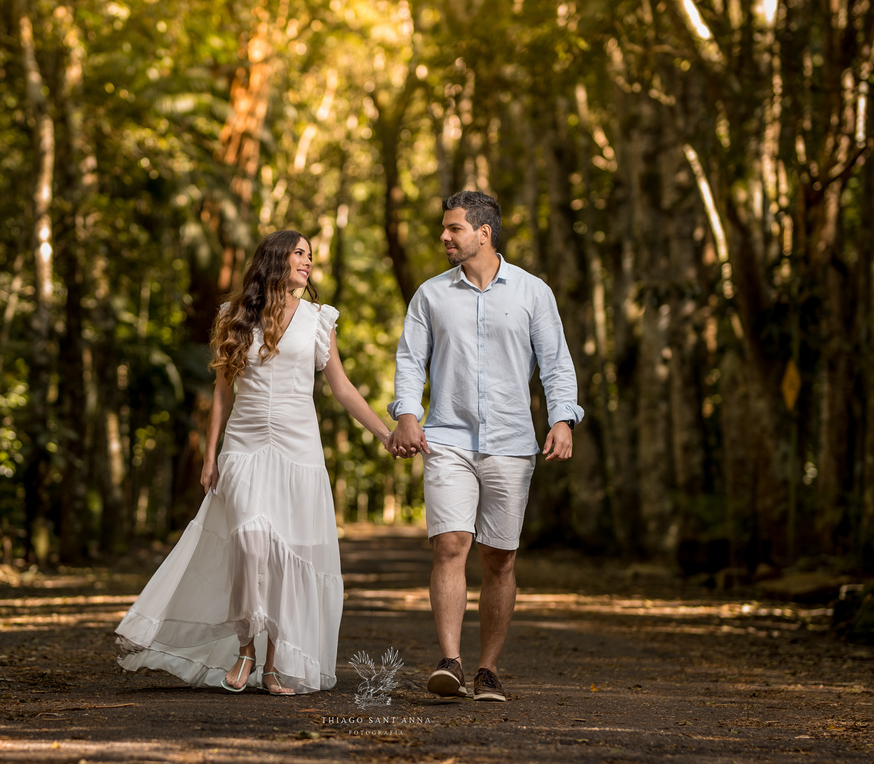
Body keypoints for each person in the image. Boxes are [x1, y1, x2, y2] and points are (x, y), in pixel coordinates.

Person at [116, 229, 392, 695]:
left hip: (298, 451)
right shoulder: (234, 316)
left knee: (286, 558)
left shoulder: (320, 320)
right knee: (249, 543)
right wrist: (211, 455)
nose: (308, 261)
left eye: (310, 255)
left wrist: (385, 433)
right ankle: (246, 646)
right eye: (300, 253)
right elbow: (222, 392)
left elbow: (341, 387)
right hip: (243, 448)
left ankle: (273, 662)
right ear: (277, 260)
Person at [387, 190, 583, 702]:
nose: (445, 237)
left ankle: (488, 669)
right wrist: (406, 414)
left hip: (512, 443)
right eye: (445, 228)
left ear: (483, 232)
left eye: (453, 228)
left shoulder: (533, 293)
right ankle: (449, 661)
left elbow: (556, 362)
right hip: (447, 438)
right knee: (451, 545)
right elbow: (410, 360)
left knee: (500, 558)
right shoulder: (430, 295)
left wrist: (563, 418)